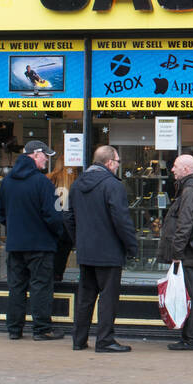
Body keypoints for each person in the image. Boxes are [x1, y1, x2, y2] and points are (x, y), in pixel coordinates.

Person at [65, 145, 137, 352]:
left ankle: (78, 340)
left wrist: (79, 241)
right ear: (108, 163)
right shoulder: (113, 185)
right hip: (109, 251)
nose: (117, 166)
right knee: (108, 297)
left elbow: (68, 217)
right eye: (117, 162)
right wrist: (131, 247)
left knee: (85, 297)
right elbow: (121, 220)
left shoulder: (78, 184)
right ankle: (105, 340)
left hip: (86, 251)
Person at [0, 140, 66, 341]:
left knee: (16, 286)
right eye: (45, 155)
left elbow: (1, 214)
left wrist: (15, 229)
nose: (47, 160)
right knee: (40, 286)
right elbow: (53, 216)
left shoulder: (7, 181)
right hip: (40, 244)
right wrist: (57, 234)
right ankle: (42, 329)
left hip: (15, 244)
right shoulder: (42, 182)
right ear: (35, 155)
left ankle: (14, 329)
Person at [157, 153, 193, 351]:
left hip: (187, 253)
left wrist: (177, 253)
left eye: (175, 166)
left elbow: (185, 224)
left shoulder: (189, 191)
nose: (172, 170)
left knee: (187, 296)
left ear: (186, 169)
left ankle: (192, 339)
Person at [48, 163, 77, 285]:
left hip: (50, 231)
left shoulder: (48, 181)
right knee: (58, 270)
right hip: (65, 233)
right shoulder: (75, 184)